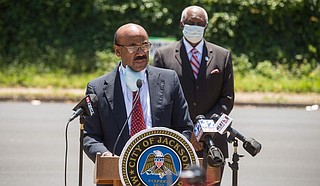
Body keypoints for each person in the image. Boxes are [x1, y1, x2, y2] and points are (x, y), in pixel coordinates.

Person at [83, 23, 193, 165]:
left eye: (145, 46)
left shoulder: (169, 80)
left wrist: (171, 154)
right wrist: (106, 156)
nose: (141, 52)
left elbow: (184, 127)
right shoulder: (97, 88)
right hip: (117, 172)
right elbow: (91, 136)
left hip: (160, 171)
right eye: (133, 47)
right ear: (117, 51)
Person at [153, 5, 235, 185]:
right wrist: (188, 132)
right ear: (182, 24)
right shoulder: (163, 56)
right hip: (176, 141)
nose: (195, 26)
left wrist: (202, 130)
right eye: (191, 22)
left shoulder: (223, 56)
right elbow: (160, 100)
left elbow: (227, 99)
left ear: (206, 25)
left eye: (200, 23)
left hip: (212, 142)